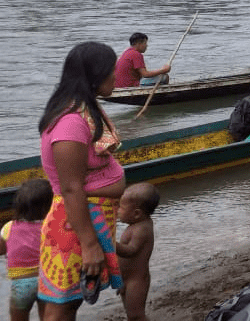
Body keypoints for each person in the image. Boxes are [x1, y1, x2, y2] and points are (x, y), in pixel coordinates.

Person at [37, 42, 126, 318]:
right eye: (111, 71)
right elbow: (71, 187)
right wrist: (89, 245)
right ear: (95, 76)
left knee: (70, 300)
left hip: (85, 220)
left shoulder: (85, 110)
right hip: (75, 225)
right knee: (61, 306)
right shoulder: (71, 123)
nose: (116, 76)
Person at [1, 178, 53, 321]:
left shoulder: (9, 227)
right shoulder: (51, 228)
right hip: (46, 281)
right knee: (47, 316)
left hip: (21, 284)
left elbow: (1, 250)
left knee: (18, 317)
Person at [115, 183, 160, 321]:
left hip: (137, 280)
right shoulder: (135, 225)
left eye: (120, 207)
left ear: (136, 214)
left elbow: (130, 251)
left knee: (137, 316)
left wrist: (110, 244)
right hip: (126, 278)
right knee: (131, 315)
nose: (116, 209)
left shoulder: (142, 229)